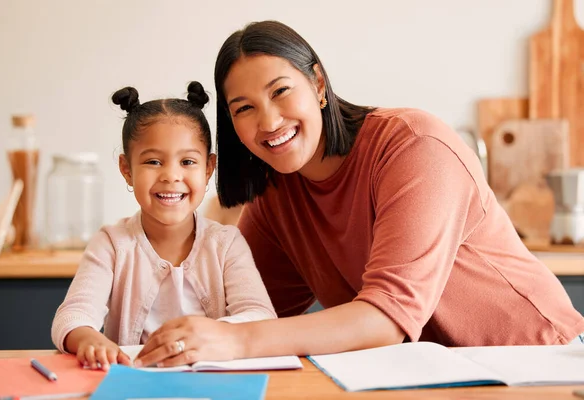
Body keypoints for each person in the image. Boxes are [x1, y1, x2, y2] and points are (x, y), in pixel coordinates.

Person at [134, 20, 584, 368]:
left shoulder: (413, 146)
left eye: (281, 92)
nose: (268, 122)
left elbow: (386, 318)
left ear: (318, 84)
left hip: (536, 360)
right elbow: (237, 309)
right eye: (245, 108)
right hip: (427, 374)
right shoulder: (275, 197)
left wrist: (235, 340)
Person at [51, 81, 276, 370]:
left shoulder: (227, 243)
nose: (171, 175)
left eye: (187, 161)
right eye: (154, 161)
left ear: (208, 168)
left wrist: (211, 335)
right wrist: (87, 339)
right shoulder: (111, 243)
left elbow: (260, 315)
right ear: (126, 169)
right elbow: (73, 316)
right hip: (135, 384)